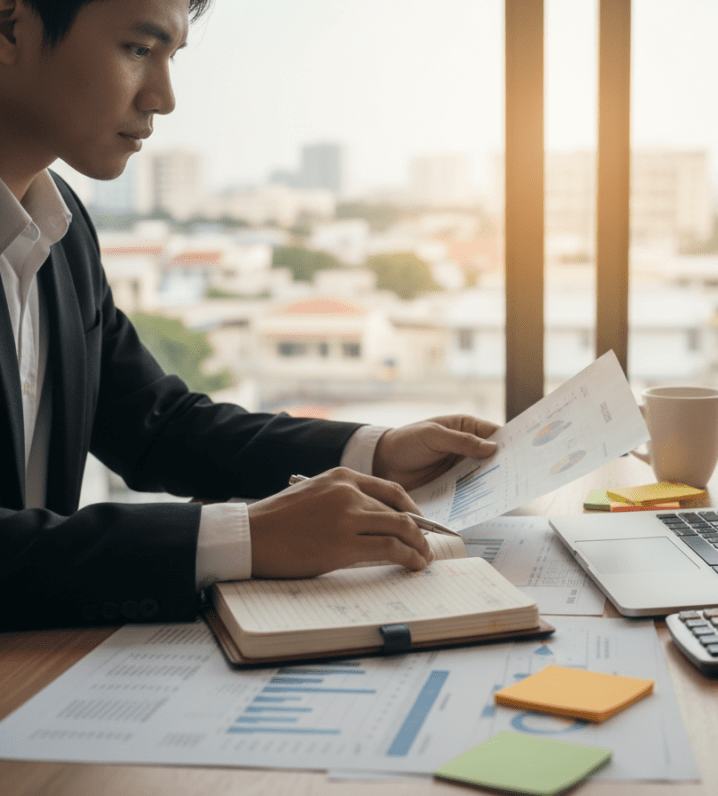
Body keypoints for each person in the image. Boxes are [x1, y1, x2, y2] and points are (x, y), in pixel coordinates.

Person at [0, 0, 499, 631]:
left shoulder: (59, 225)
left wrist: (376, 452)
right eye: (137, 50)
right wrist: (246, 536)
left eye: (171, 58)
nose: (164, 97)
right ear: (11, 26)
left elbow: (156, 426)